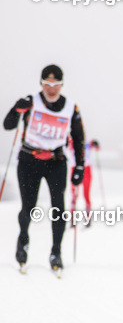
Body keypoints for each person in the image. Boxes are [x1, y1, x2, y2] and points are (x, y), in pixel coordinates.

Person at [3, 64, 86, 271]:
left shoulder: (71, 108)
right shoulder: (30, 102)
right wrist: (15, 109)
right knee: (28, 206)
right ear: (41, 84)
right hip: (29, 160)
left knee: (59, 208)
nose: (51, 89)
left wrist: (80, 167)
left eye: (56, 84)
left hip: (56, 162)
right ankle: (23, 241)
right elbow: (8, 125)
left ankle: (56, 252)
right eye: (47, 84)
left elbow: (78, 138)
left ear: (62, 85)